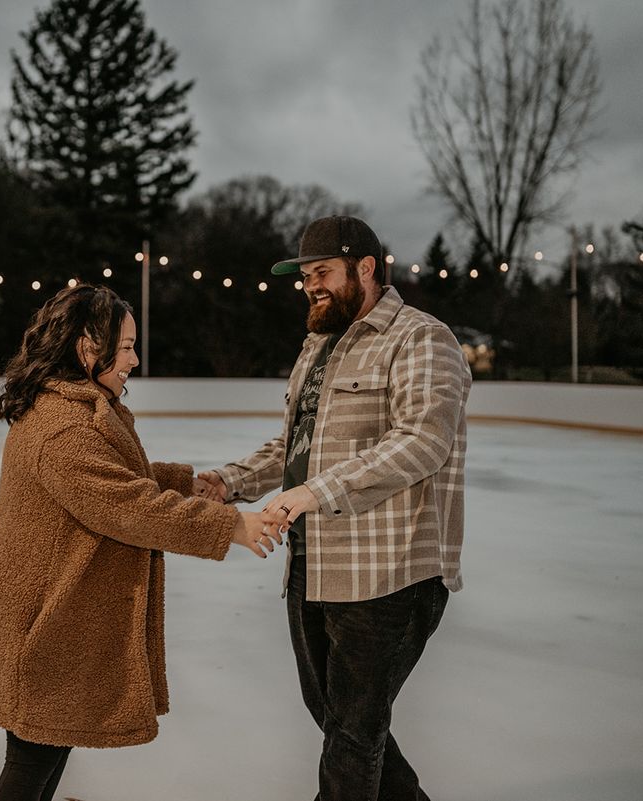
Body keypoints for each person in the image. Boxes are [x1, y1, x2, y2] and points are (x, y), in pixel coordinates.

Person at [199, 215, 471, 801]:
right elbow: (298, 445)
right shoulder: (319, 345)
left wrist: (317, 492)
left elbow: (423, 440)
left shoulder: (422, 338)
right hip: (315, 564)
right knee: (336, 716)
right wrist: (228, 483)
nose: (310, 286)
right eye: (304, 276)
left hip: (391, 572)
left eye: (321, 272)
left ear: (365, 268)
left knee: (352, 733)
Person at [0, 283, 275, 801]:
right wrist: (231, 528)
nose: (135, 357)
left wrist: (182, 482)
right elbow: (127, 507)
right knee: (32, 758)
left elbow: (113, 477)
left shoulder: (72, 407)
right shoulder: (62, 426)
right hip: (40, 623)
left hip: (48, 615)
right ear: (89, 346)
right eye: (127, 345)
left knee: (43, 747)